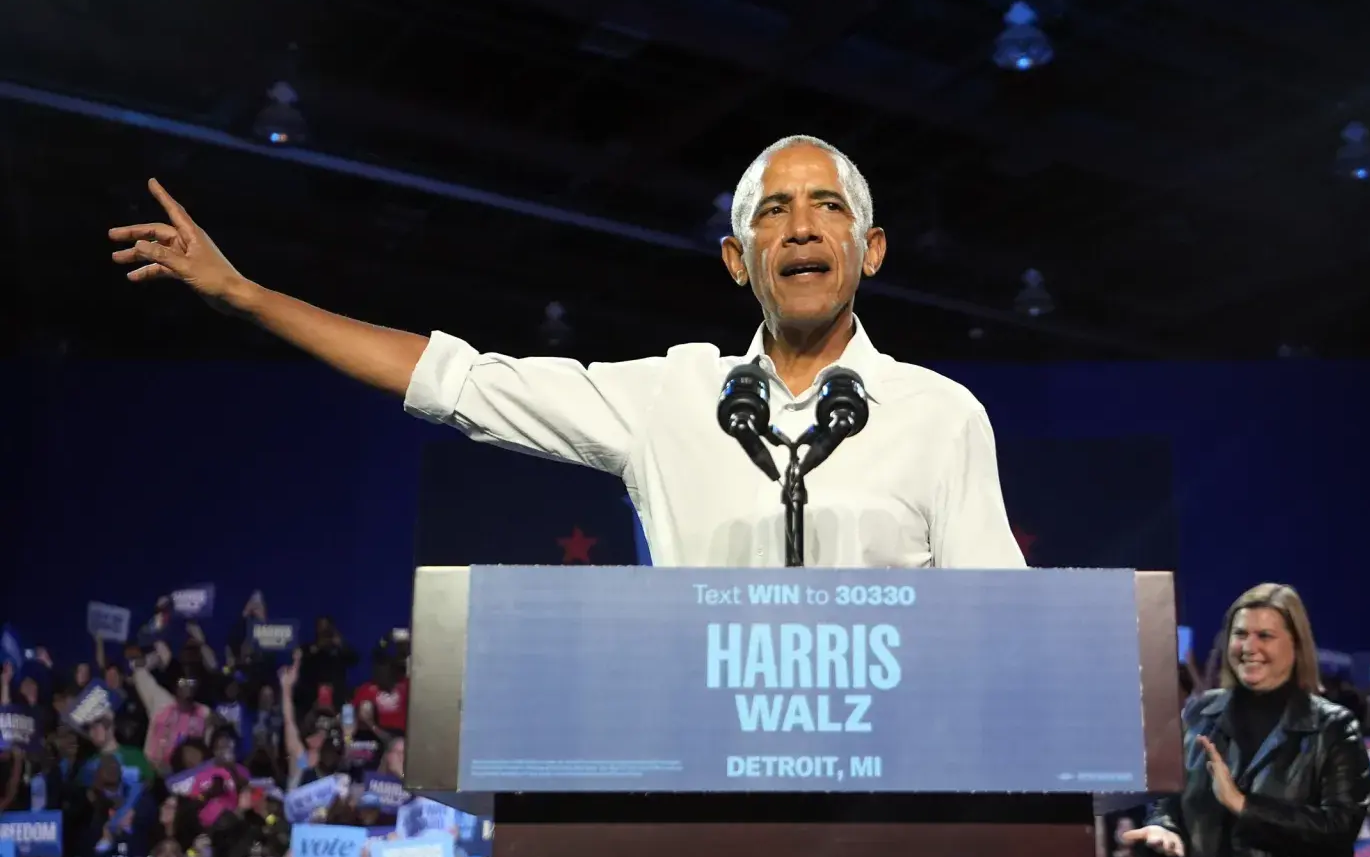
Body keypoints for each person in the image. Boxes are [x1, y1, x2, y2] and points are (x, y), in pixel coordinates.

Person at [109, 135, 1024, 569]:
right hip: (705, 798)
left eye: (827, 205)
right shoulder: (669, 397)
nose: (798, 226)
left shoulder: (939, 416)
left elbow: (1003, 622)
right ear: (737, 261)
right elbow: (455, 381)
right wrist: (245, 295)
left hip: (893, 807)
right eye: (771, 212)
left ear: (870, 250)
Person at [1120, 582, 1370, 857]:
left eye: (1265, 635)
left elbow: (1339, 827)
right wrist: (1165, 825)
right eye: (1240, 634)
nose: (1248, 646)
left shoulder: (1332, 729)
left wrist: (1244, 805)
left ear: (1296, 644)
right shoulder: (1202, 712)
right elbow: (1171, 794)